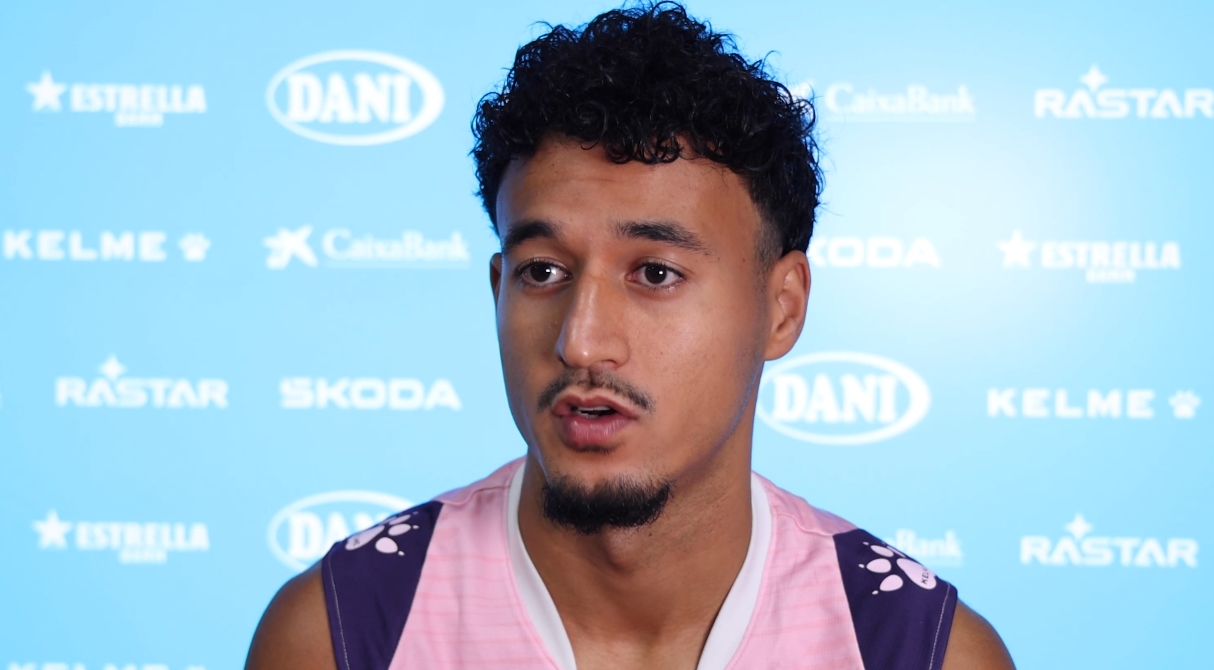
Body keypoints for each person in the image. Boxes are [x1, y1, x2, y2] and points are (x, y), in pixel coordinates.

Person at [246, 3, 1015, 668]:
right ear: (497, 287)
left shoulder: (915, 649)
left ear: (782, 309)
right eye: (543, 271)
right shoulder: (345, 634)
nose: (580, 344)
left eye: (654, 273)